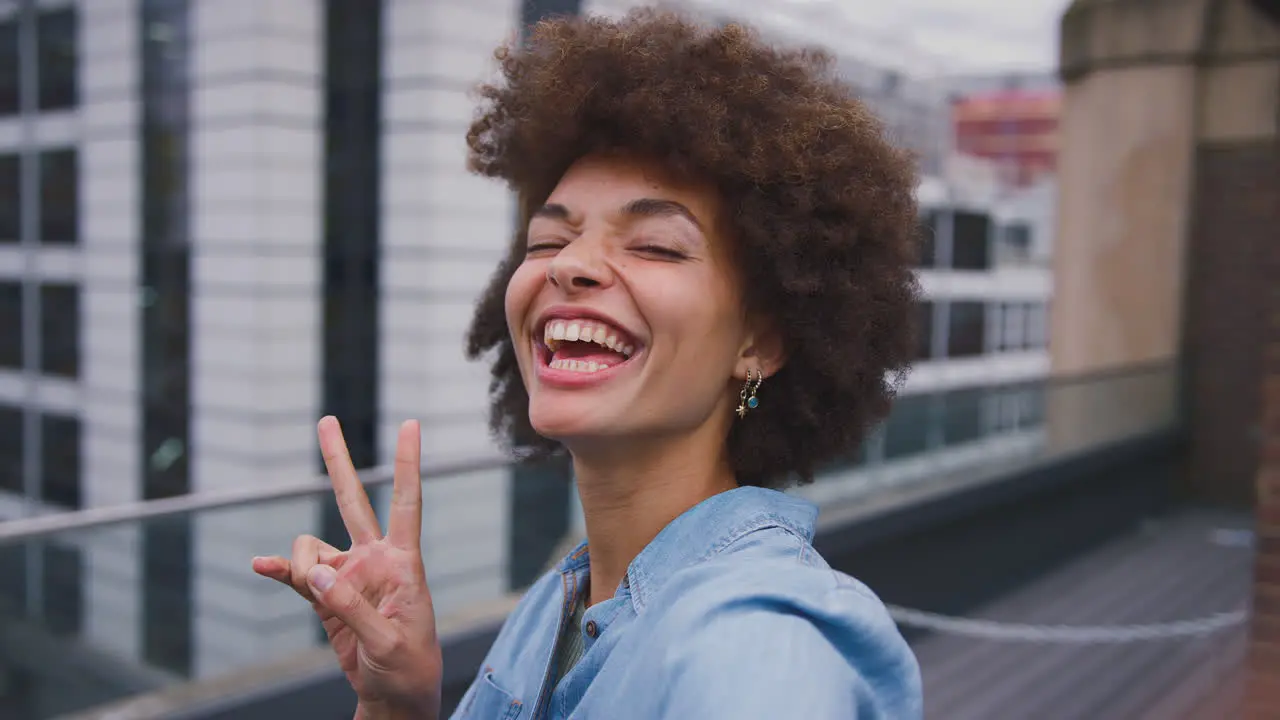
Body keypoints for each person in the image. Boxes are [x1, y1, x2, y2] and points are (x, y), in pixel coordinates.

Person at [252, 9, 923, 719]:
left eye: (657, 246)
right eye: (547, 241)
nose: (569, 265)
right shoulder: (555, 607)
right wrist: (398, 703)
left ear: (758, 343)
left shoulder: (754, 654)